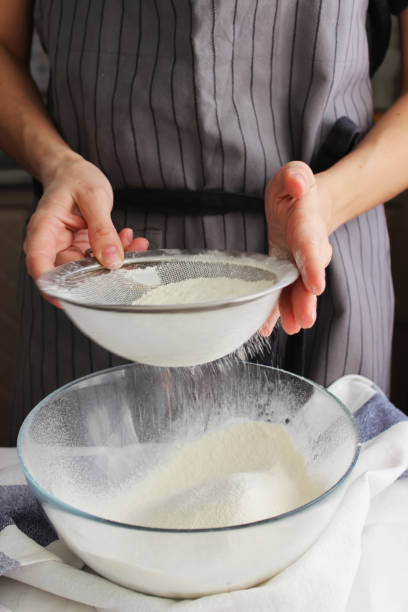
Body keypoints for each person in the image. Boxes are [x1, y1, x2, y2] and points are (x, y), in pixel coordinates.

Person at [1, 0, 407, 443]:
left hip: (319, 247)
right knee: (81, 495)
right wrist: (57, 164)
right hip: (98, 263)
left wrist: (327, 200)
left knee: (336, 492)